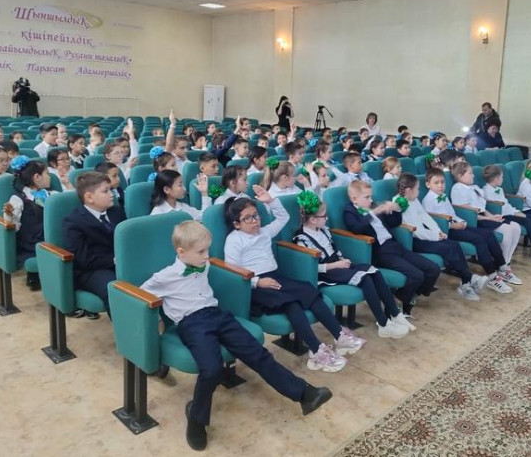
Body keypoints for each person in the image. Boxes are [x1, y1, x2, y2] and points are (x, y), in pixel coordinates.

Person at [140, 221, 332, 451]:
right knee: (211, 369)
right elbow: (142, 295)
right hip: (192, 324)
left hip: (217, 315)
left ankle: (305, 394)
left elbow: (207, 269)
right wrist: (159, 321)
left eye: (207, 249)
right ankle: (196, 417)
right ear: (181, 252)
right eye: (201, 251)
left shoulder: (203, 264)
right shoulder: (165, 276)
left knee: (258, 354)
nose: (207, 256)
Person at [224, 190, 365, 371]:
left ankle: (340, 335)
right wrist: (257, 282)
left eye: (256, 215)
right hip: (254, 286)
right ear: (236, 224)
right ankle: (316, 351)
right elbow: (233, 272)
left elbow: (283, 217)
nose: (255, 221)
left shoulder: (264, 232)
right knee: (291, 303)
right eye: (248, 218)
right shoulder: (234, 240)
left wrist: (271, 201)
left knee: (309, 291)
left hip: (275, 277)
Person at [294, 191, 410, 338]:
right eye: (324, 216)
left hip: (339, 264)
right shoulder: (302, 239)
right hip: (327, 272)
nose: (327, 218)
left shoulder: (323, 230)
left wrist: (342, 259)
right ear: (312, 220)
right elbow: (310, 267)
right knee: (365, 278)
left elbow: (333, 248)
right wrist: (336, 265)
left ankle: (395, 314)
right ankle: (383, 324)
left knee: (374, 272)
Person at [344, 180, 440, 316]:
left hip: (394, 245)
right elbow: (356, 228)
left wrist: (396, 209)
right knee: (417, 275)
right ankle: (399, 303)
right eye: (367, 197)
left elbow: (394, 223)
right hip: (380, 252)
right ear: (354, 199)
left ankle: (402, 297)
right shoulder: (349, 211)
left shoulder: (374, 204)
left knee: (433, 269)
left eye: (371, 196)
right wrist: (374, 213)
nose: (371, 200)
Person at [396, 173, 489, 301]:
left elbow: (425, 217)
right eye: (417, 189)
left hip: (425, 236)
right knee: (446, 248)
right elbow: (414, 230)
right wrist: (434, 236)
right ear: (408, 190)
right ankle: (470, 278)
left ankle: (466, 282)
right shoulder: (400, 203)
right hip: (413, 239)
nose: (419, 191)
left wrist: (438, 231)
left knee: (454, 244)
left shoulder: (413, 199)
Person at [422, 168, 513, 294]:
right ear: (428, 184)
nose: (440, 185)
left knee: (488, 234)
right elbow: (433, 221)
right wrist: (452, 225)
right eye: (436, 183)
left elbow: (452, 214)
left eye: (442, 182)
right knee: (478, 239)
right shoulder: (427, 200)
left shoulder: (443, 196)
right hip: (448, 230)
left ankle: (502, 266)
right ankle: (492, 276)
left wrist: (462, 222)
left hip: (457, 225)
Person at [62, 171, 126, 316]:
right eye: (106, 191)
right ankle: (126, 329)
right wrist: (114, 260)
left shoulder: (117, 212)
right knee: (115, 290)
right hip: (91, 270)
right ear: (89, 197)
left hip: (120, 263)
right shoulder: (73, 221)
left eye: (111, 189)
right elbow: (83, 259)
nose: (112, 194)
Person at [450, 162, 522, 279]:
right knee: (508, 230)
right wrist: (488, 218)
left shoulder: (473, 187)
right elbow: (470, 212)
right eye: (470, 173)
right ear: (460, 175)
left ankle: (505, 263)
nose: (473, 175)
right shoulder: (457, 188)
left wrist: (492, 216)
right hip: (476, 220)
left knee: (516, 227)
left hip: (484, 216)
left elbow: (481, 207)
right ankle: (502, 266)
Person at [3, 157, 54, 290]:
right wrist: (9, 215)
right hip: (32, 240)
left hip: (48, 235)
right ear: (37, 177)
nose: (50, 177)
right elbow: (14, 227)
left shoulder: (50, 194)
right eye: (47, 174)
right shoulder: (18, 199)